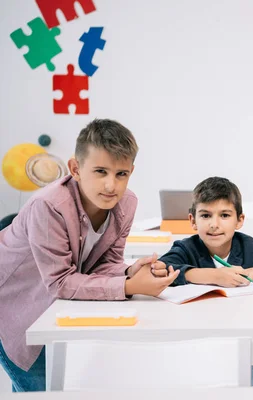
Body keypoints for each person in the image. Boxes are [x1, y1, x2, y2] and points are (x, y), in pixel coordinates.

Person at [0, 119, 177, 392]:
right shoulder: (48, 206)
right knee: (36, 386)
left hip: (48, 307)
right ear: (75, 169)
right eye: (100, 171)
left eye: (121, 174)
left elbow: (106, 263)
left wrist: (130, 272)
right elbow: (60, 282)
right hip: (10, 303)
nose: (111, 185)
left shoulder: (126, 203)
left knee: (50, 383)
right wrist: (129, 286)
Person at [156, 176, 253, 386]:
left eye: (224, 215)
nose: (214, 224)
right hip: (199, 335)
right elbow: (163, 269)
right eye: (206, 215)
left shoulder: (249, 247)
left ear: (239, 220)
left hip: (248, 333)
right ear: (192, 221)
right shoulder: (186, 248)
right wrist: (213, 276)